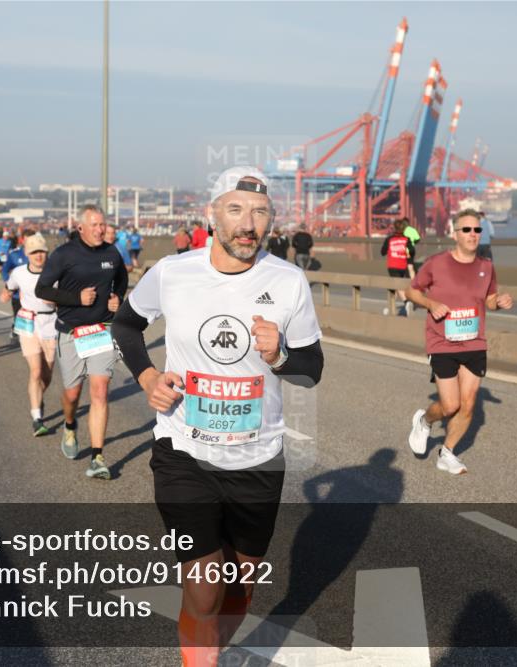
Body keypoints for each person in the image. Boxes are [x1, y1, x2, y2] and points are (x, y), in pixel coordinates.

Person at [111, 166, 323, 666]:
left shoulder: (288, 281)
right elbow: (125, 326)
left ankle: (214, 648)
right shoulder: (173, 272)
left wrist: (279, 359)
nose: (248, 224)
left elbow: (311, 371)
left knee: (239, 587)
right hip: (185, 451)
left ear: (271, 219)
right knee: (204, 585)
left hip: (259, 457)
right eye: (235, 210)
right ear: (212, 214)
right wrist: (146, 378)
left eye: (259, 212)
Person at [405, 209, 513, 474]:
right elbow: (412, 291)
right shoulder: (436, 263)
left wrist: (498, 302)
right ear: (455, 234)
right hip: (442, 342)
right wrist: (431, 303)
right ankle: (425, 421)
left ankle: (447, 452)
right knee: (450, 405)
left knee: (469, 403)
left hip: (474, 342)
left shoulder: (486, 266)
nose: (473, 234)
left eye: (477, 230)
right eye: (467, 229)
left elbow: (489, 299)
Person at [35, 205, 128, 479]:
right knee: (73, 394)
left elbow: (121, 280)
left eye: (103, 224)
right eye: (95, 225)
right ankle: (70, 423)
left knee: (99, 390)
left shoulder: (112, 253)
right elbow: (42, 289)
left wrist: (117, 298)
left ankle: (97, 457)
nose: (100, 229)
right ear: (81, 228)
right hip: (72, 332)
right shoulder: (64, 254)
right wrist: (76, 299)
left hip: (100, 330)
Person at [2, 234, 57, 437]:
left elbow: (64, 296)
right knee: (35, 371)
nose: (38, 256)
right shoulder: (19, 273)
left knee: (47, 374)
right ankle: (37, 418)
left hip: (51, 323)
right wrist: (5, 293)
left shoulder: (55, 273)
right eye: (34, 252)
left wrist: (56, 302)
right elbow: (9, 286)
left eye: (41, 251)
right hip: (29, 323)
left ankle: (38, 397)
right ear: (27, 254)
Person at [381, 219, 416, 315]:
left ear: (394, 228)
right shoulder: (407, 239)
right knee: (396, 286)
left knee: (397, 286)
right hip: (403, 265)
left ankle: (406, 302)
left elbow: (382, 252)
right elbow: (412, 251)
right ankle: (389, 307)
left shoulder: (389, 239)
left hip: (392, 265)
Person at [1, 231, 32, 341]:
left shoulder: (39, 255)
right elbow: (4, 270)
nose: (29, 243)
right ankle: (16, 327)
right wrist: (9, 285)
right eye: (27, 240)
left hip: (34, 294)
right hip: (17, 295)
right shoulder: (15, 254)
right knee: (20, 317)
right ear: (22, 240)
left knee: (32, 319)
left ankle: (29, 342)